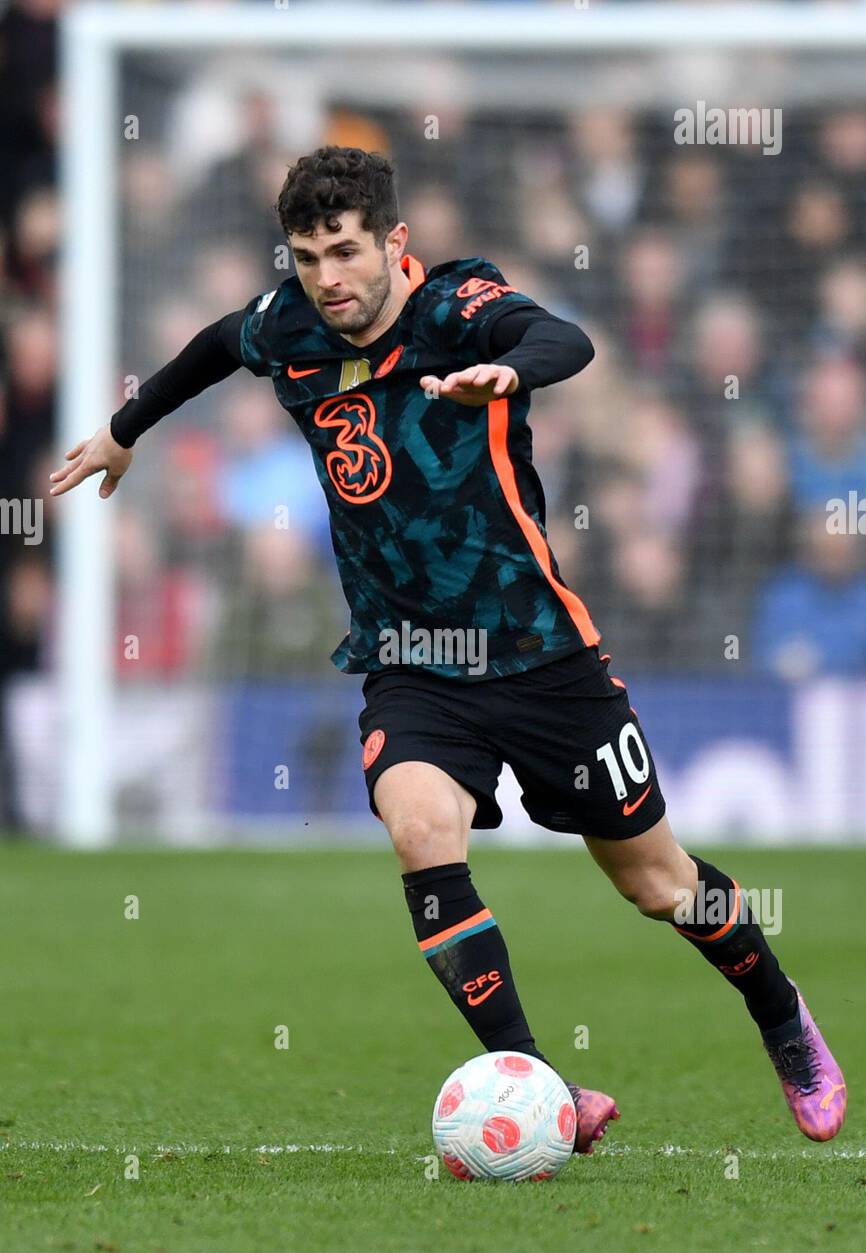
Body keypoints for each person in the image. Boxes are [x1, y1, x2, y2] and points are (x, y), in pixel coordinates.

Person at [51, 146, 846, 1151]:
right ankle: (540, 1086)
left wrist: (506, 372)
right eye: (305, 256)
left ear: (392, 241)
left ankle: (781, 1019)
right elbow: (217, 342)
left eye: (344, 251)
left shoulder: (457, 307)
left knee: (656, 882)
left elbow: (561, 339)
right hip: (412, 658)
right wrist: (128, 427)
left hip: (541, 650)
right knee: (420, 832)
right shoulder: (286, 323)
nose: (327, 277)